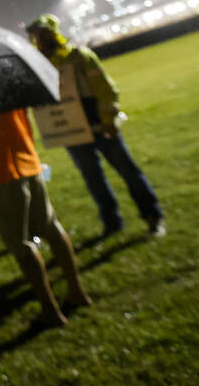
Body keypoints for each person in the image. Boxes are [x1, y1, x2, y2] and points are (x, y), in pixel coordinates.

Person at [0, 108, 93, 329]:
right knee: (51, 227)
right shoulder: (5, 77)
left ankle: (50, 310)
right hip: (26, 161)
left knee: (20, 243)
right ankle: (77, 292)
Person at [26, 14, 167, 237]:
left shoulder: (79, 57)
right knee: (94, 181)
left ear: (54, 33)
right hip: (74, 134)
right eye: (35, 36)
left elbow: (105, 88)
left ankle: (153, 216)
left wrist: (109, 119)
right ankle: (112, 223)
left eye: (43, 33)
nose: (39, 39)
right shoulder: (39, 67)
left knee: (128, 172)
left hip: (101, 127)